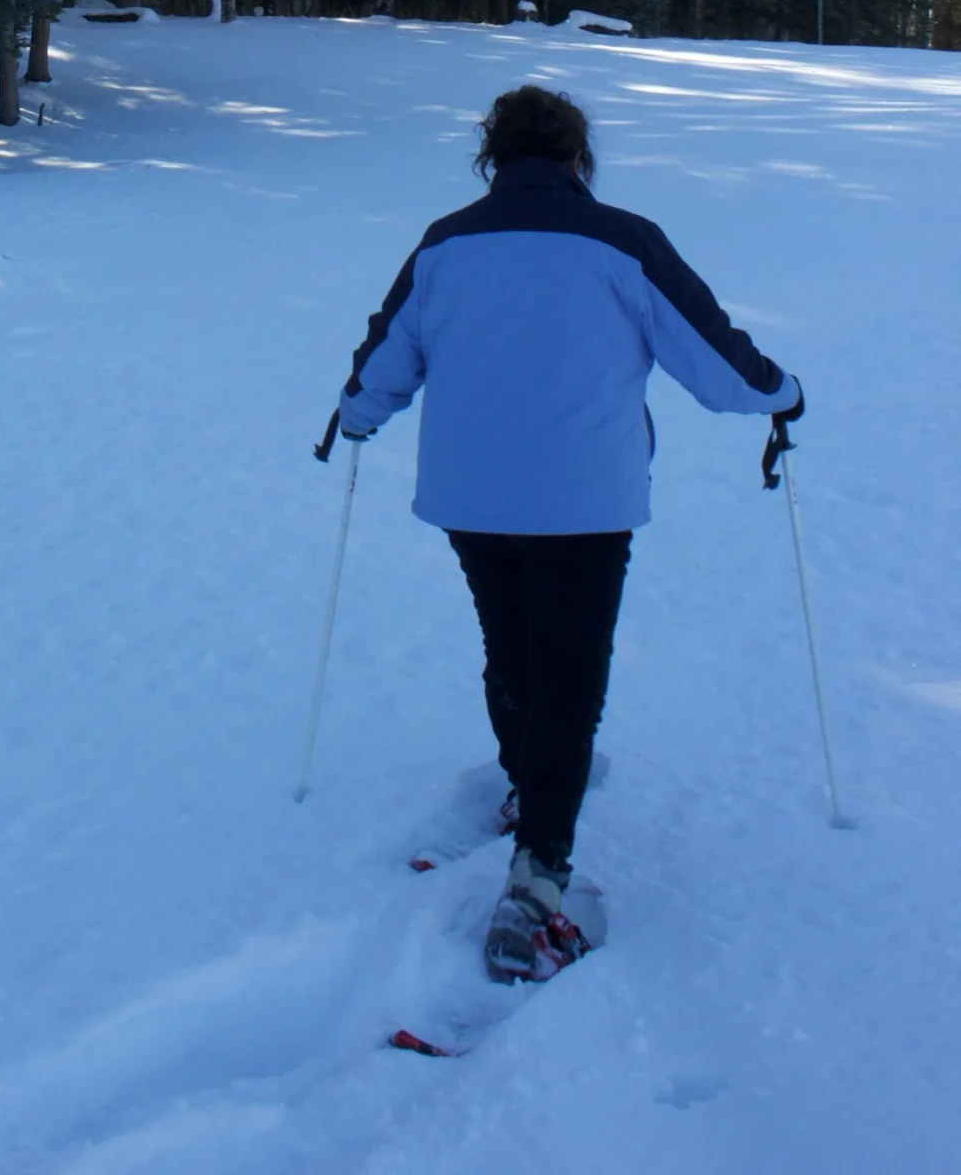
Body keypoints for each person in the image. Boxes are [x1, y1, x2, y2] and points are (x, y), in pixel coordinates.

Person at [334, 83, 801, 984]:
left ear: (491, 157)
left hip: (471, 496)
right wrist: (780, 392)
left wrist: (355, 415)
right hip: (583, 499)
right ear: (576, 157)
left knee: (509, 647)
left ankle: (527, 788)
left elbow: (389, 354)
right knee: (568, 675)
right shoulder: (621, 241)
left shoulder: (445, 242)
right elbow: (713, 359)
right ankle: (540, 879)